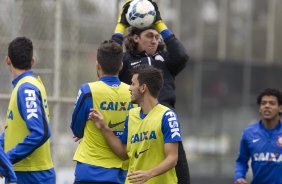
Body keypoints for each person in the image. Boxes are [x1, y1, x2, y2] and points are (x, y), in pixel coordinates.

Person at [111, 1, 190, 183]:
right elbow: (110, 57)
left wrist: (159, 23)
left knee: (181, 175)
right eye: (149, 36)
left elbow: (182, 55)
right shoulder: (126, 61)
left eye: (157, 37)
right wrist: (121, 25)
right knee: (142, 174)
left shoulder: (164, 59)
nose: (155, 40)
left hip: (165, 122)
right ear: (136, 38)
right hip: (140, 124)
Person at [89, 66, 182, 184]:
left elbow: (172, 158)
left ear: (143, 88)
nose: (130, 88)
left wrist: (149, 174)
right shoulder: (131, 115)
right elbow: (124, 153)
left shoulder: (167, 117)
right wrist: (104, 127)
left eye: (133, 84)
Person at [70, 40, 135, 184]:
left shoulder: (88, 91)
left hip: (89, 170)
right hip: (120, 173)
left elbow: (76, 130)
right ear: (121, 66)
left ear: (97, 65)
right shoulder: (132, 93)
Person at [0, 37, 56, 184]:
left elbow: (40, 132)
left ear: (7, 60)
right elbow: (15, 129)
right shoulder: (25, 86)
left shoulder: (26, 89)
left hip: (32, 175)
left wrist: (6, 160)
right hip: (25, 172)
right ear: (32, 61)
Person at [234, 88, 282, 184]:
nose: (267, 106)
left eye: (272, 103)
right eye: (263, 103)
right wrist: (239, 177)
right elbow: (241, 161)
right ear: (259, 108)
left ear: (280, 108)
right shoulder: (249, 133)